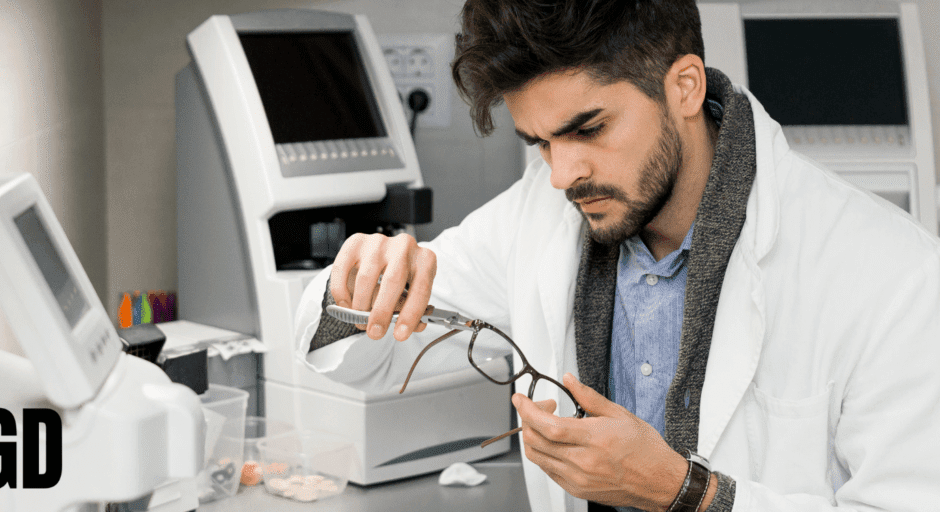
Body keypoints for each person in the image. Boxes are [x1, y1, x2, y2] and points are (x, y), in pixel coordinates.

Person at [293, 0, 940, 511]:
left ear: (684, 86)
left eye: (589, 128)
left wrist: (683, 493)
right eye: (540, 142)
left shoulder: (892, 275)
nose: (562, 173)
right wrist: (356, 286)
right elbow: (363, 359)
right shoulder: (538, 215)